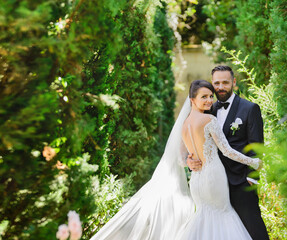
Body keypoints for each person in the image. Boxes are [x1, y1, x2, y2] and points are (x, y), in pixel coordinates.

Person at [90, 79, 262, 240]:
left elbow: (182, 156)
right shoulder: (210, 119)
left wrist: (188, 162)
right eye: (204, 97)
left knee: (202, 217)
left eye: (211, 96)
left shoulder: (185, 124)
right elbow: (227, 151)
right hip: (214, 176)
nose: (209, 100)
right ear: (192, 99)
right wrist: (253, 161)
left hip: (197, 180)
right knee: (223, 215)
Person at [187, 66, 269, 240]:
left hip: (240, 181)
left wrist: (252, 178)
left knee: (254, 230)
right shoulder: (208, 109)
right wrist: (190, 161)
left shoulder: (249, 109)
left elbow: (257, 146)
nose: (220, 87)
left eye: (225, 82)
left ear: (233, 83)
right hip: (214, 183)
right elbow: (198, 141)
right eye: (216, 83)